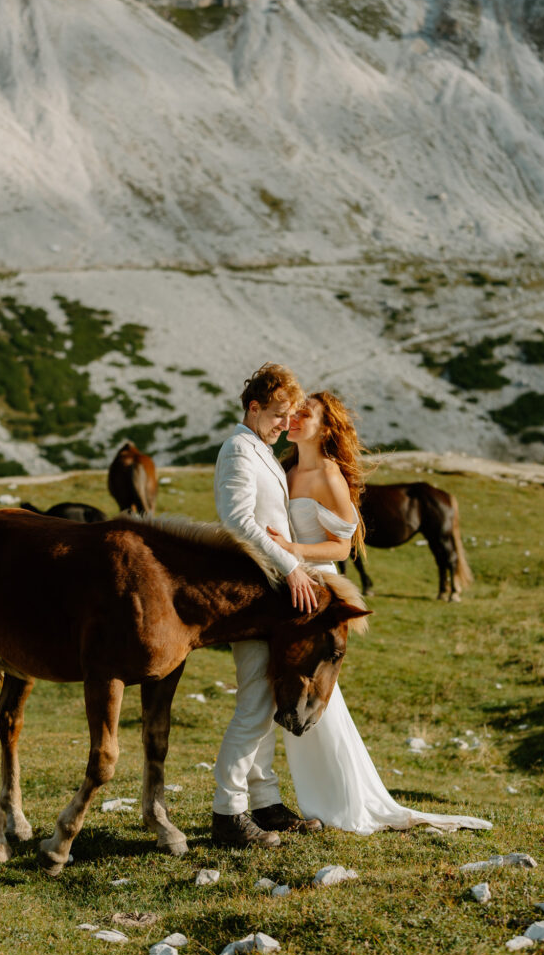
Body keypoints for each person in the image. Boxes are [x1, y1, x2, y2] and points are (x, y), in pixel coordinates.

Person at [267, 391, 492, 835]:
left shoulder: (329, 475)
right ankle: (318, 797)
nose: (294, 419)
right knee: (298, 691)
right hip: (290, 587)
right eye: (292, 413)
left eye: (304, 414)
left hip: (320, 589)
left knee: (319, 693)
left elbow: (343, 546)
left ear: (325, 428)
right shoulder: (286, 469)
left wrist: (294, 550)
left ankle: (343, 801)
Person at [211, 363, 324, 848]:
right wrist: (291, 565)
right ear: (253, 408)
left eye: (290, 415)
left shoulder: (260, 449)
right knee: (254, 705)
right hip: (252, 592)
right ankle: (228, 813)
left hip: (270, 596)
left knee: (264, 699)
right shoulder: (239, 449)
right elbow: (236, 520)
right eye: (279, 414)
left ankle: (266, 803)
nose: (285, 424)